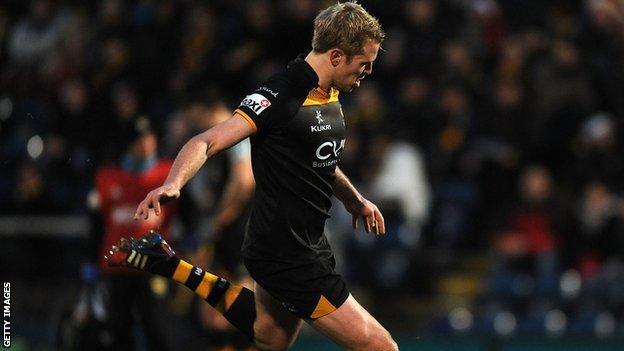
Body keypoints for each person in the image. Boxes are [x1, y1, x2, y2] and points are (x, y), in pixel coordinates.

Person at [107, 3, 398, 350]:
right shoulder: (280, 95)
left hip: (303, 243)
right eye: (364, 64)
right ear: (336, 56)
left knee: (270, 336)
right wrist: (173, 183)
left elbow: (319, 159)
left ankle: (174, 267)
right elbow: (207, 140)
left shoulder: (330, 92)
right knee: (382, 347)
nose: (367, 72)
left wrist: (355, 200)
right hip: (287, 254)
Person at [92, 116, 176, 350]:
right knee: (117, 328)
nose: (147, 144)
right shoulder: (107, 176)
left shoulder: (168, 174)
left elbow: (187, 212)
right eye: (140, 139)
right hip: (118, 264)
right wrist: (91, 260)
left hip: (154, 264)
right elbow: (97, 221)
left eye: (150, 137)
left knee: (157, 328)